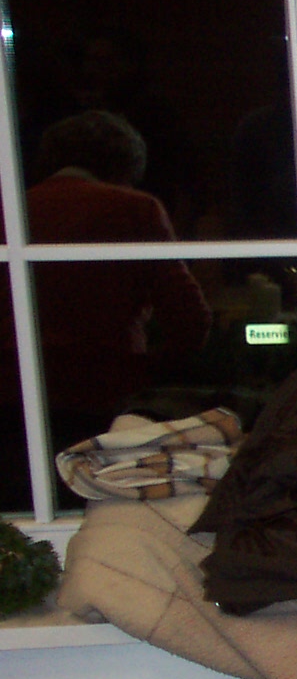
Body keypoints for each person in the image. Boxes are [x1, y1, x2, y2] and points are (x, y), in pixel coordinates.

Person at [21, 110, 213, 454]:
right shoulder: (134, 208)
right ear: (126, 165)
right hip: (106, 387)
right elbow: (188, 317)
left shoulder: (15, 208)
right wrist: (155, 371)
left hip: (15, 387)